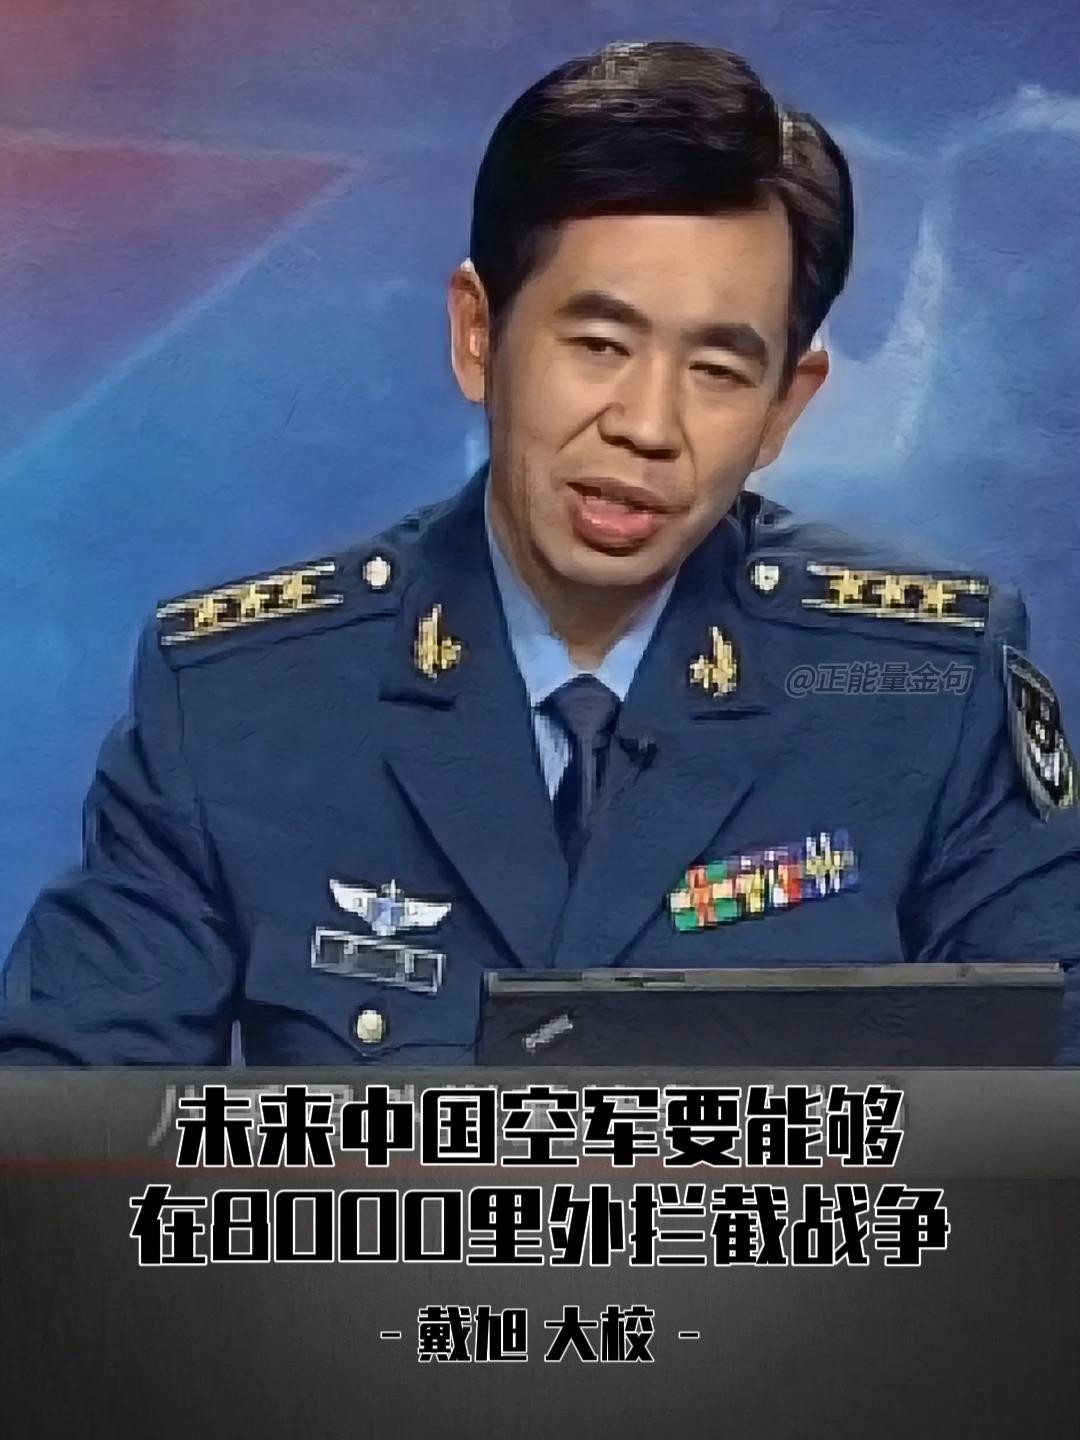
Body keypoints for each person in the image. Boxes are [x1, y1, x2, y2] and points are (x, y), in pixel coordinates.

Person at [1, 39, 1077, 1065]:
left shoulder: (921, 691)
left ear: (785, 408)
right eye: (599, 345)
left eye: (717, 370)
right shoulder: (241, 703)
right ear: (478, 333)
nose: (647, 425)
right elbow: (71, 1139)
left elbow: (1051, 1107)